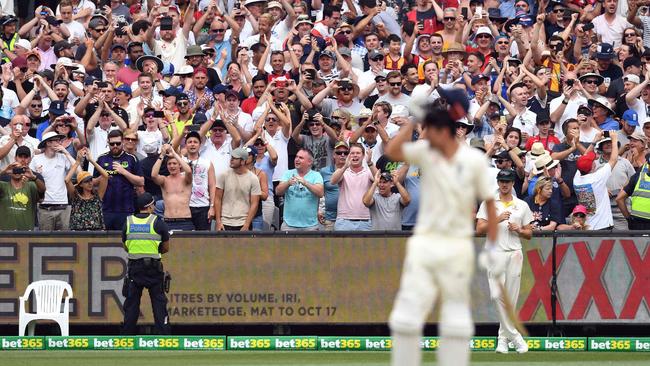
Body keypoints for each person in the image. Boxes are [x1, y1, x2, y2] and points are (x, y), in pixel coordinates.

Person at [384, 92, 498, 366]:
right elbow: (392, 152)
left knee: (456, 316)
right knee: (406, 316)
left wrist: (492, 247)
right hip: (424, 242)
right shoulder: (426, 151)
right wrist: (411, 123)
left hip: (456, 245)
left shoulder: (472, 160)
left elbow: (491, 205)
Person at [476, 168, 533, 354]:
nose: (504, 184)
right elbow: (479, 230)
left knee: (511, 298)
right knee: (497, 295)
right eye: (501, 181)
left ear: (513, 183)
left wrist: (518, 229)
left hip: (514, 252)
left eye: (507, 181)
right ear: (498, 182)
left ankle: (502, 340)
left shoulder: (522, 205)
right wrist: (497, 218)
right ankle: (515, 337)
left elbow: (529, 234)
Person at [121, 192, 171, 335]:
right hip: (153, 269)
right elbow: (166, 248)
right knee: (159, 304)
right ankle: (164, 337)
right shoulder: (158, 223)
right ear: (149, 206)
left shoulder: (128, 222)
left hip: (135, 268)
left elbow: (126, 245)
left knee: (131, 304)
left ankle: (127, 337)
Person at [573, 133, 620, 230]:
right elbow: (614, 159)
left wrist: (595, 141)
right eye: (593, 161)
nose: (594, 161)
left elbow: (584, 157)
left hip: (587, 226)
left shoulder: (577, 178)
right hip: (603, 225)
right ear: (593, 166)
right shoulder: (597, 178)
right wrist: (614, 140)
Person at [214, 147, 262, 231]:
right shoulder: (223, 175)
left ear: (243, 161)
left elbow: (254, 204)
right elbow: (217, 198)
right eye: (231, 157)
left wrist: (247, 224)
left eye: (234, 158)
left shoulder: (253, 179)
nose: (231, 160)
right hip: (224, 221)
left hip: (243, 222)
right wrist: (218, 221)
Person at [276, 148, 324, 231]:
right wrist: (287, 183)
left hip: (310, 226)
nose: (297, 159)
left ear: (309, 162)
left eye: (301, 158)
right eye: (296, 157)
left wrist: (306, 183)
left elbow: (320, 193)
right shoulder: (288, 173)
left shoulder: (316, 175)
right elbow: (278, 191)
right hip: (288, 224)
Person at [65, 147, 109, 231]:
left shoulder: (97, 196)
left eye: (90, 180)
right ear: (80, 184)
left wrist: (91, 160)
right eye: (86, 181)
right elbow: (67, 180)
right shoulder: (76, 197)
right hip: (78, 234)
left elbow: (105, 176)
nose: (90, 183)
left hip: (96, 233)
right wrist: (77, 162)